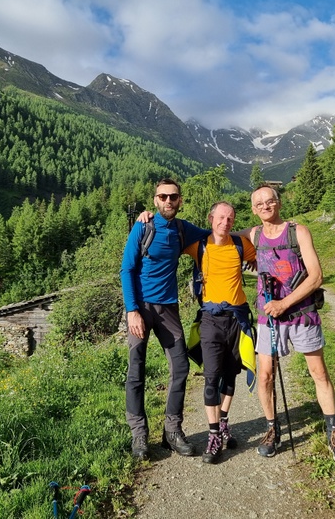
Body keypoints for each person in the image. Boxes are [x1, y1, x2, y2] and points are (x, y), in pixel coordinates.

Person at [248, 185, 335, 464]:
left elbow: (316, 276)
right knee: (266, 376)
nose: (265, 206)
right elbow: (220, 232)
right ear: (253, 210)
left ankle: (333, 433)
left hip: (302, 313)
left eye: (270, 201)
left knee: (318, 372)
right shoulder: (254, 235)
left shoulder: (299, 232)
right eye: (259, 204)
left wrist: (284, 303)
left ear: (279, 203)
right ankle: (272, 429)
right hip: (268, 316)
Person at [120, 178, 210, 461]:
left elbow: (218, 233)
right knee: (136, 370)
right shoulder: (143, 226)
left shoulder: (183, 229)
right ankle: (139, 435)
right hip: (141, 308)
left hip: (168, 308)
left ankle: (172, 431)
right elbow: (126, 269)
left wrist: (259, 231)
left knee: (180, 366)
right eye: (163, 197)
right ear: (155, 199)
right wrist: (132, 310)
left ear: (180, 200)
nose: (168, 201)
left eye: (173, 197)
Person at [183, 201, 256, 464]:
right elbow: (168, 239)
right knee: (211, 377)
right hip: (210, 320)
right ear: (211, 218)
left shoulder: (241, 245)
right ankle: (213, 435)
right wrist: (145, 219)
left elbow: (264, 254)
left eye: (230, 218)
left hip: (237, 320)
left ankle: (223, 422)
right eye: (221, 217)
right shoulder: (199, 246)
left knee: (231, 374)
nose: (226, 222)